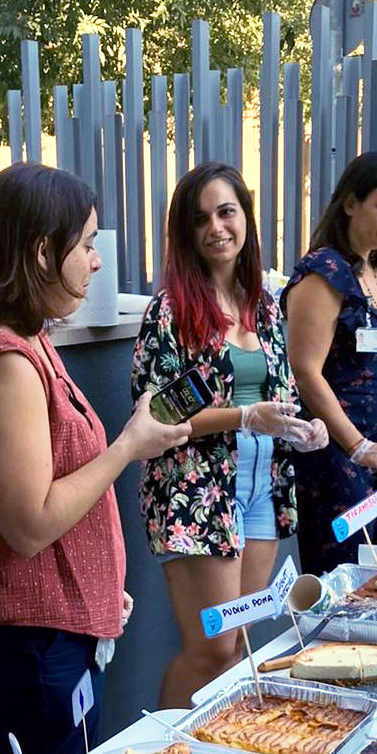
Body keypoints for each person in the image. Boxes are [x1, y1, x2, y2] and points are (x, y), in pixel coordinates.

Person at [0, 163, 188, 754]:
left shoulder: (27, 340)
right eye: (88, 244)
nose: (97, 262)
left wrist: (95, 590)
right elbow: (30, 524)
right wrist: (130, 444)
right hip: (33, 645)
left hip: (52, 631)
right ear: (44, 251)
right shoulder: (5, 366)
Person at [131, 162, 327, 706]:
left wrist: (302, 426)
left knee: (238, 640)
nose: (216, 227)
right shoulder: (169, 311)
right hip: (198, 491)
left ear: (246, 217)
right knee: (211, 648)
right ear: (185, 233)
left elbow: (279, 392)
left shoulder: (262, 303)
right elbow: (156, 414)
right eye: (201, 219)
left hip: (261, 485)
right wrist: (244, 418)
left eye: (226, 212)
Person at [282, 151, 377, 576]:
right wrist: (358, 447)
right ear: (351, 203)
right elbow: (305, 371)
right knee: (348, 580)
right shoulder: (324, 274)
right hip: (337, 462)